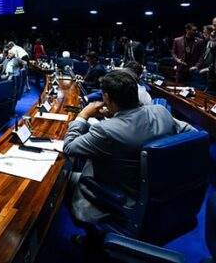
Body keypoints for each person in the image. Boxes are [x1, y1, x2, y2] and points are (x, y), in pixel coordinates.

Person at [63, 70, 196, 243]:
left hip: (126, 199)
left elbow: (69, 146)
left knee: (66, 179)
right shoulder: (160, 111)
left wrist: (83, 115)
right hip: (164, 193)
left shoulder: (105, 131)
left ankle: (93, 239)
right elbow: (192, 134)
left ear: (107, 98)